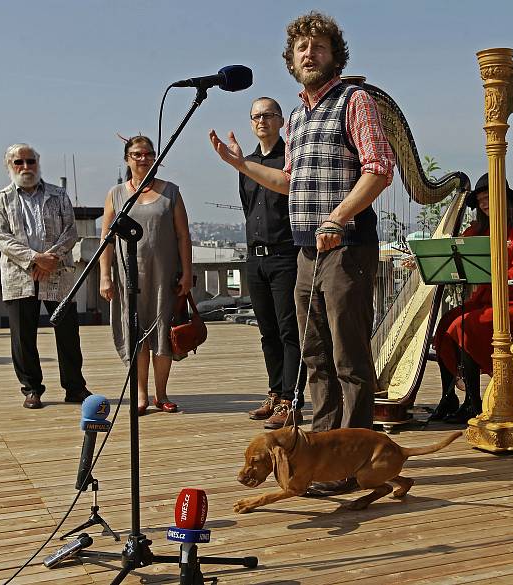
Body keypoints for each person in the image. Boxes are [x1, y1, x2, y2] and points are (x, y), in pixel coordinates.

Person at [209, 11, 394, 496]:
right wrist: (242, 164)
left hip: (347, 246)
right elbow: (289, 182)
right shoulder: (297, 117)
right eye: (302, 48)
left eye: (320, 47)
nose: (309, 54)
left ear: (335, 56)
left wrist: (339, 216)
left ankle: (354, 460)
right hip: (307, 251)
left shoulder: (355, 101)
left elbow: (378, 168)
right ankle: (320, 455)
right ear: (291, 60)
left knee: (348, 356)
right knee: (314, 354)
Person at [429, 173, 513, 424]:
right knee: (445, 324)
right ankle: (449, 397)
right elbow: (452, 258)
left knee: (464, 325)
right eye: (480, 200)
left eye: (489, 198)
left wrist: (494, 276)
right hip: (483, 301)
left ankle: (473, 403)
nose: (484, 204)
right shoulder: (474, 230)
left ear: (505, 200)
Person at [0, 143, 92, 408]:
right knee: (23, 336)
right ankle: (31, 389)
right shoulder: (1, 199)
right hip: (20, 275)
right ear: (9, 167)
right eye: (18, 162)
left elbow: (70, 231)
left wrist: (51, 258)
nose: (25, 167)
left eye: (30, 161)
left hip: (58, 273)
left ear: (38, 163)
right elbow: (1, 237)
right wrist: (35, 259)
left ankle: (75, 387)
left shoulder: (58, 195)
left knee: (68, 331)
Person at [99, 135, 193, 416]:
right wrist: (105, 276)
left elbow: (183, 236)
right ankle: (140, 393)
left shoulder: (171, 192)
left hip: (165, 276)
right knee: (137, 334)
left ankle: (161, 394)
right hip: (130, 277)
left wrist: (187, 273)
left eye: (148, 154)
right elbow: (106, 238)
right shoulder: (115, 194)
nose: (143, 159)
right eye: (137, 154)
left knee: (163, 333)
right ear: (127, 159)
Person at [239, 97, 307, 430]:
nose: (261, 121)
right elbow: (248, 208)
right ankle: (275, 391)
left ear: (281, 121)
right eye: (255, 116)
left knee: (289, 330)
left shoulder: (290, 160)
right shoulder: (247, 163)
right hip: (256, 258)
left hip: (285, 255)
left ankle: (291, 400)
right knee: (267, 333)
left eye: (268, 115)